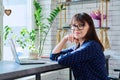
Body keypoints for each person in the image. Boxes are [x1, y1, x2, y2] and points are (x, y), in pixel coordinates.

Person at [50, 13, 109, 80]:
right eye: (74, 25)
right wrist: (64, 39)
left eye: (81, 25)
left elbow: (62, 59)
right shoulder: (78, 47)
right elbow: (53, 56)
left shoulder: (91, 46)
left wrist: (62, 56)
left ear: (90, 27)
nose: (76, 29)